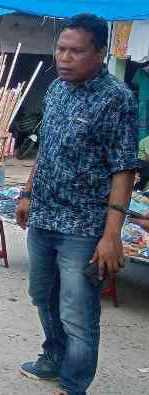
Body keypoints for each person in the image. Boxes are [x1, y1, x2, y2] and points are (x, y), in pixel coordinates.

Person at [14, 13, 140, 395]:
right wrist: (27, 193)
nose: (64, 58)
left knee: (78, 312)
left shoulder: (118, 99)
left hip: (84, 228)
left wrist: (111, 235)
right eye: (61, 49)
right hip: (44, 217)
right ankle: (53, 358)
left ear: (100, 54)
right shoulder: (56, 89)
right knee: (42, 295)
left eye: (76, 51)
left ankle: (73, 384)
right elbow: (46, 149)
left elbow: (124, 169)